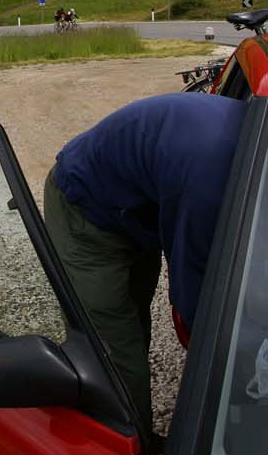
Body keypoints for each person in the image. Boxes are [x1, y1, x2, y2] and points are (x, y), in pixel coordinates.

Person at [45, 92, 245, 432]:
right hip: (83, 211)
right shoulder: (210, 179)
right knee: (112, 354)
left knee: (134, 320)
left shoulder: (254, 139)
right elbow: (196, 297)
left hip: (137, 212)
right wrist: (235, 373)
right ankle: (128, 440)